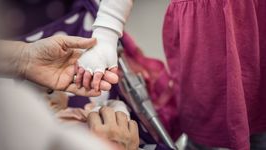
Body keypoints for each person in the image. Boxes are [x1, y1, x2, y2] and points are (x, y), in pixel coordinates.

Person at [77, 0, 266, 150]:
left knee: (258, 110)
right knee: (204, 114)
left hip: (257, 22)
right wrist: (105, 34)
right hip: (205, 39)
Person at [0, 35, 139, 150]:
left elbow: (112, 105)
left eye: (50, 91)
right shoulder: (31, 131)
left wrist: (118, 116)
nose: (48, 99)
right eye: (37, 100)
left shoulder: (79, 112)